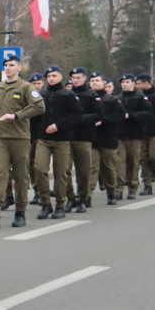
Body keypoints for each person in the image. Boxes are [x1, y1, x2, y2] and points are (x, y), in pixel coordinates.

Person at [0, 54, 44, 229]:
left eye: (11, 65)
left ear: (19, 68)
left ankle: (20, 211)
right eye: (5, 65)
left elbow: (39, 106)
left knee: (20, 176)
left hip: (20, 137)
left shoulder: (27, 87)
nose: (8, 68)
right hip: (0, 137)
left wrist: (16, 115)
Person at [33, 66, 81, 220]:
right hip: (43, 139)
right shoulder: (42, 94)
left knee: (61, 172)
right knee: (39, 168)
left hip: (62, 139)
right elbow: (35, 115)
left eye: (54, 75)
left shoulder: (68, 94)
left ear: (60, 76)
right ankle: (45, 203)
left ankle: (60, 204)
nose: (51, 78)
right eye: (49, 76)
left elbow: (77, 115)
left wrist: (59, 125)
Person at [64, 68, 103, 212]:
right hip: (66, 137)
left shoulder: (91, 95)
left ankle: (83, 198)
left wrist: (79, 119)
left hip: (84, 137)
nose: (75, 80)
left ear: (84, 78)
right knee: (64, 169)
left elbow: (98, 114)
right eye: (73, 77)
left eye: (78, 77)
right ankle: (70, 197)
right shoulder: (67, 94)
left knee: (84, 171)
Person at [90, 72, 123, 205]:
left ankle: (111, 192)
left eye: (97, 80)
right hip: (91, 138)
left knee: (108, 168)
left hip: (108, 138)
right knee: (92, 168)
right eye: (92, 81)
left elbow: (120, 114)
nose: (94, 83)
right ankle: (86, 196)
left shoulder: (111, 100)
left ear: (103, 82)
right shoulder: (86, 98)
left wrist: (103, 121)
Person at [118, 74, 150, 200]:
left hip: (135, 135)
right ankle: (119, 188)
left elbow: (147, 113)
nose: (125, 84)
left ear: (133, 83)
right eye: (123, 82)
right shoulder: (117, 98)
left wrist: (131, 115)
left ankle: (132, 187)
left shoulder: (140, 97)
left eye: (127, 82)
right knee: (119, 163)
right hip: (119, 135)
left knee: (133, 162)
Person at [27, 72, 45, 204]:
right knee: (30, 165)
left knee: (40, 165)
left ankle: (43, 192)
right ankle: (36, 190)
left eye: (38, 84)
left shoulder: (44, 97)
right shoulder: (25, 97)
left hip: (42, 136)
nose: (36, 86)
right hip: (28, 136)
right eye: (34, 84)